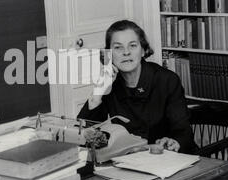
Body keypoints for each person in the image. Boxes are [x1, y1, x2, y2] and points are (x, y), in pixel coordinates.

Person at [78, 20, 198, 154]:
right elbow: (83, 133)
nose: (126, 52)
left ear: (143, 50)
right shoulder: (110, 83)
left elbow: (184, 133)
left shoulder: (167, 80)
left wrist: (173, 142)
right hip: (131, 160)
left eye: (133, 46)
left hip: (170, 158)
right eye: (118, 47)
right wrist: (98, 92)